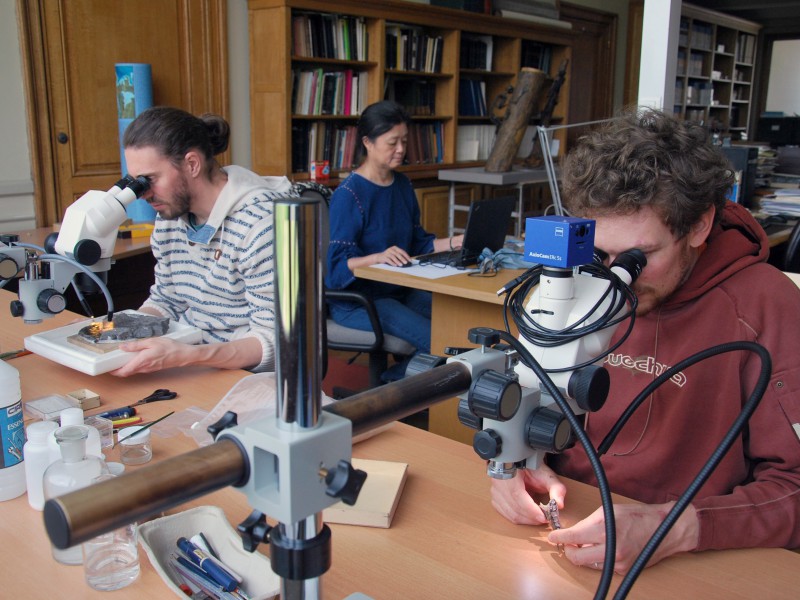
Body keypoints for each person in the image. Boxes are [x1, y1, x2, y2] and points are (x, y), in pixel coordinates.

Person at [490, 108, 800, 573]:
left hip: (692, 559)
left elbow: (794, 486)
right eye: (600, 255)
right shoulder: (575, 284)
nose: (615, 279)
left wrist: (671, 529)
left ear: (697, 226)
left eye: (638, 256)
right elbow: (532, 403)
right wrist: (513, 464)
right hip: (569, 529)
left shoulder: (764, 305)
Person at [111, 106, 296, 376]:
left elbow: (278, 342)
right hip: (193, 360)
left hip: (249, 373)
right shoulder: (169, 219)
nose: (143, 194)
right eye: (136, 182)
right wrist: (115, 335)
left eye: (149, 179)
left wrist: (190, 356)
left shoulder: (262, 225)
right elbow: (166, 301)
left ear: (192, 164)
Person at [326, 100, 463, 362]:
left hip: (398, 290)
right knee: (442, 342)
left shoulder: (402, 184)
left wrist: (458, 241)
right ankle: (393, 387)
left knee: (460, 321)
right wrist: (377, 257)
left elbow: (419, 244)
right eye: (392, 143)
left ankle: (410, 383)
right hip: (360, 300)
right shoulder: (349, 195)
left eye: (404, 141)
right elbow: (335, 271)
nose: (401, 150)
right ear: (367, 142)